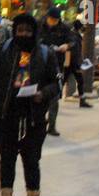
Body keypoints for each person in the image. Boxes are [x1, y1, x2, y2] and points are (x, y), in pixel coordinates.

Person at [0, 13, 60, 196]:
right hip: (7, 115)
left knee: (32, 161)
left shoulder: (45, 53)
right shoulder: (2, 50)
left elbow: (55, 84)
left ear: (34, 32)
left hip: (34, 117)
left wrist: (43, 94)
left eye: (28, 31)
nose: (23, 34)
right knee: (6, 160)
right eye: (20, 30)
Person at [39, 8, 75, 136]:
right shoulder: (40, 26)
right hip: (40, 65)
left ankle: (52, 125)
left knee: (54, 96)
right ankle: (40, 123)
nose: (53, 22)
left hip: (57, 66)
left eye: (56, 20)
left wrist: (67, 46)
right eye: (51, 19)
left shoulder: (64, 28)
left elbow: (72, 41)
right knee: (40, 95)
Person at [65, 18, 93, 107]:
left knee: (63, 80)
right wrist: (78, 62)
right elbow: (75, 51)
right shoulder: (75, 37)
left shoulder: (72, 35)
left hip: (69, 62)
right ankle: (82, 101)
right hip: (73, 63)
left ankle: (53, 99)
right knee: (80, 81)